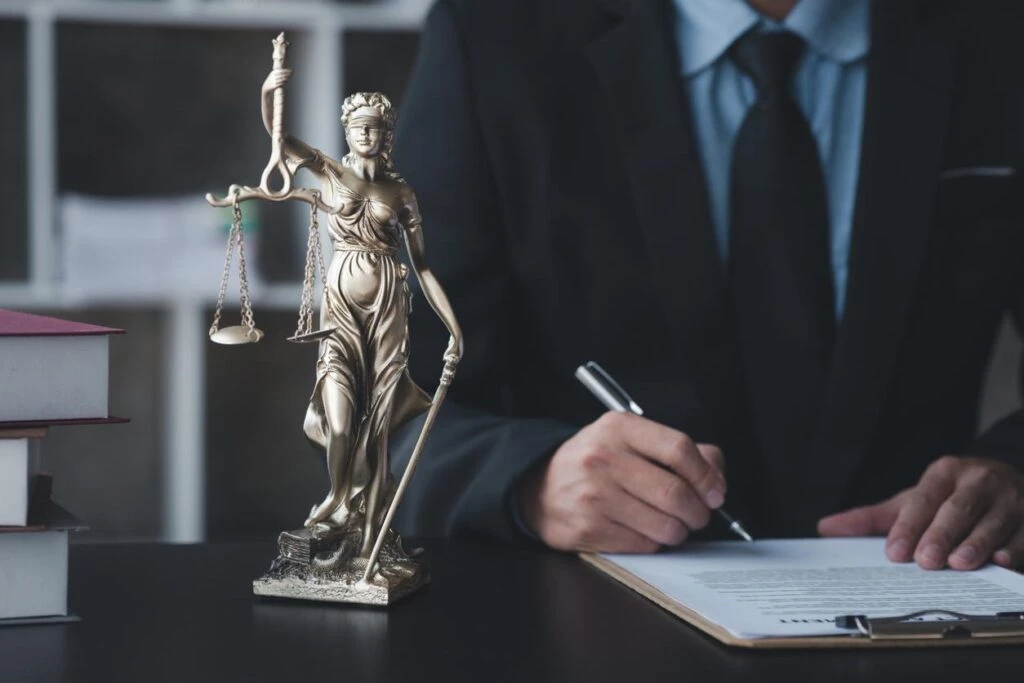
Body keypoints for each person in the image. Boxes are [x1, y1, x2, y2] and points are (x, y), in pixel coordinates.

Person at [390, 0, 1024, 571]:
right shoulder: (495, 37)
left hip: (934, 609)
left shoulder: (998, 35)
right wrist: (530, 481)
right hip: (599, 628)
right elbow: (380, 411)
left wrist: (1014, 474)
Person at [260, 75, 463, 557]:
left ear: (388, 134)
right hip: (342, 307)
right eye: (358, 128)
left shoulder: (402, 194)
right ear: (347, 131)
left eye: (375, 128)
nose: (367, 135)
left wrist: (454, 329)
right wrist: (270, 91)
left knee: (380, 434)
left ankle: (372, 536)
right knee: (339, 423)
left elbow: (424, 267)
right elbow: (280, 140)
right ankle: (335, 499)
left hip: (390, 306)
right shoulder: (330, 172)